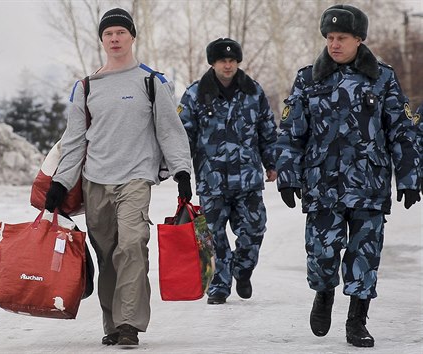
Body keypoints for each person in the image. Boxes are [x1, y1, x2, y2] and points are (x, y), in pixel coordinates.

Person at [44, 8, 193, 347]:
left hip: (135, 179)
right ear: (101, 40)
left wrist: (182, 170)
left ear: (132, 37)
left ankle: (129, 323)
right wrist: (60, 183)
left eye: (120, 33)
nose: (114, 39)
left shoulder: (151, 82)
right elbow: (74, 139)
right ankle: (112, 324)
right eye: (108, 34)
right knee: (107, 252)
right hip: (95, 180)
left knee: (131, 246)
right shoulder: (86, 86)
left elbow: (170, 130)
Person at [276, 4, 420, 348]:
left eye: (342, 37)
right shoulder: (308, 78)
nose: (334, 44)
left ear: (359, 39)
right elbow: (291, 131)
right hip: (321, 184)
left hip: (368, 184)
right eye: (329, 37)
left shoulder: (383, 78)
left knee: (364, 254)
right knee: (322, 253)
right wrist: (287, 175)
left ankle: (357, 319)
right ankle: (324, 293)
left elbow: (401, 130)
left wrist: (410, 177)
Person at [177, 38, 278, 305]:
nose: (228, 64)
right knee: (213, 236)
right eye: (223, 60)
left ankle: (242, 269)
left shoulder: (253, 91)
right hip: (212, 181)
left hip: (248, 180)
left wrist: (272, 163)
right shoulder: (195, 94)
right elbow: (183, 136)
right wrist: (179, 171)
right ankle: (219, 285)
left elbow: (267, 131)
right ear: (213, 62)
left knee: (255, 229)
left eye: (232, 60)